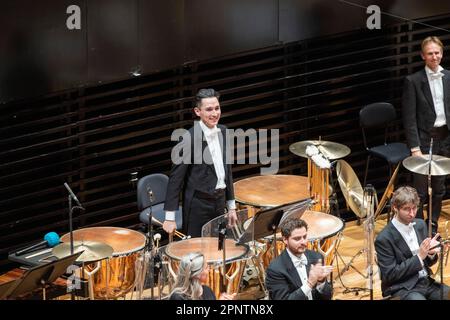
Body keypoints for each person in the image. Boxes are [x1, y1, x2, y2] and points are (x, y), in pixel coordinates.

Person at [163, 88, 237, 237]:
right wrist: (169, 218)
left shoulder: (223, 131)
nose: (215, 113)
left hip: (219, 201)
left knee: (220, 249)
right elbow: (176, 179)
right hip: (198, 206)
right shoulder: (188, 138)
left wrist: (231, 206)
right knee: (197, 254)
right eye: (209, 109)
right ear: (198, 111)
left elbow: (226, 172)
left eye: (217, 108)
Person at [402, 36, 450, 235]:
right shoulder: (412, 81)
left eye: (437, 52)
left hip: (445, 138)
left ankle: (433, 222)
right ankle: (419, 226)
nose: (434, 56)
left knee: (439, 187)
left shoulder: (448, 76)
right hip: (423, 139)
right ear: (423, 56)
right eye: (430, 53)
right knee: (421, 189)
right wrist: (415, 148)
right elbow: (409, 117)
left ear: (442, 53)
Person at [375, 186, 449, 300]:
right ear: (395, 207)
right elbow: (390, 274)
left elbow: (428, 263)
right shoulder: (384, 238)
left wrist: (431, 253)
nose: (412, 213)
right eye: (406, 209)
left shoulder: (420, 225)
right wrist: (419, 257)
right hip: (401, 287)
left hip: (425, 282)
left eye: (414, 208)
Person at [265, 218, 333, 300]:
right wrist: (309, 284)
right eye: (297, 239)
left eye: (304, 237)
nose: (303, 242)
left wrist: (321, 282)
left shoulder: (316, 257)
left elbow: (327, 296)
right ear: (285, 240)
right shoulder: (275, 269)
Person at [169, 252, 236, 300]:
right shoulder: (177, 297)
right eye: (206, 268)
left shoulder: (207, 290)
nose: (209, 270)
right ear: (197, 274)